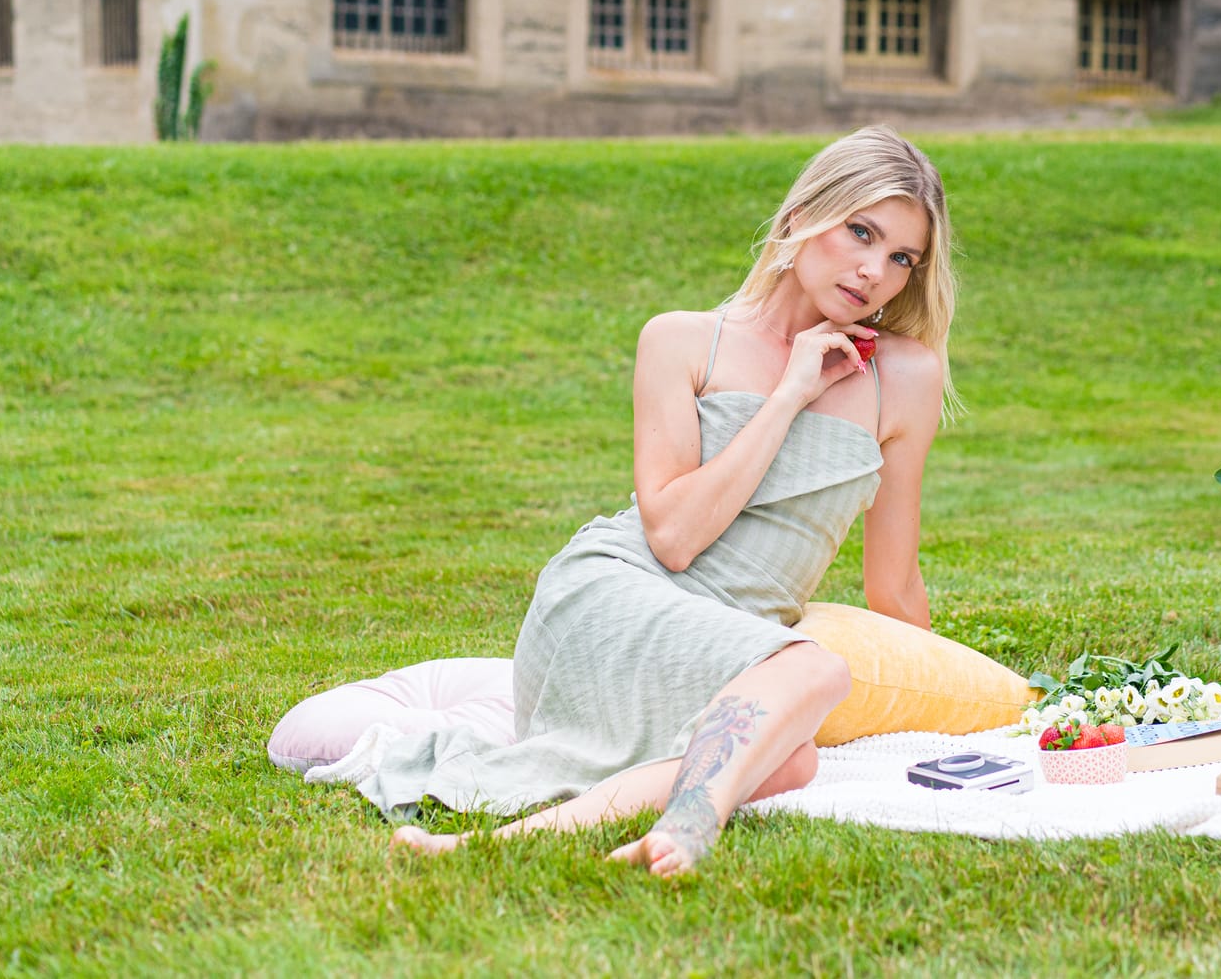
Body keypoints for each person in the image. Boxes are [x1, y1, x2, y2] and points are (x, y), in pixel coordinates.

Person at [306, 125, 955, 877]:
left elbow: (894, 586)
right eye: (861, 232)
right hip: (613, 597)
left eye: (903, 257)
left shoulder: (904, 376)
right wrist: (789, 395)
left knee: (791, 763)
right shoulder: (681, 341)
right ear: (800, 217)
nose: (876, 270)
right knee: (817, 672)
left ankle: (488, 846)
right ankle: (690, 824)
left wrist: (964, 714)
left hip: (728, 642)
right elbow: (676, 537)